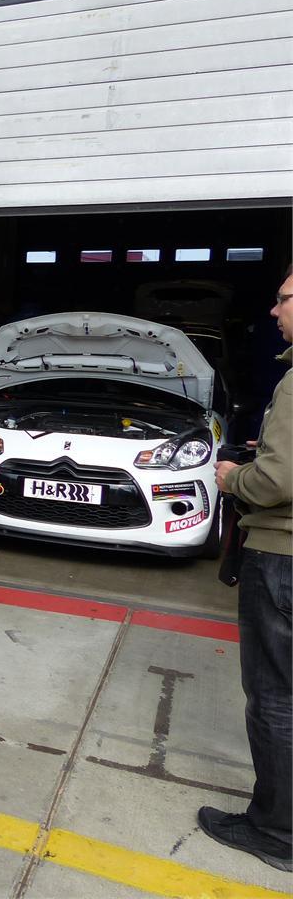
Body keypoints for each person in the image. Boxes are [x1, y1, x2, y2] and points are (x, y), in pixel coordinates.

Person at [198, 268, 293, 873]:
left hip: (281, 558)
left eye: (285, 299)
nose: (275, 310)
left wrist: (237, 478)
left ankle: (275, 830)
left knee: (274, 696)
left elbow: (277, 481)